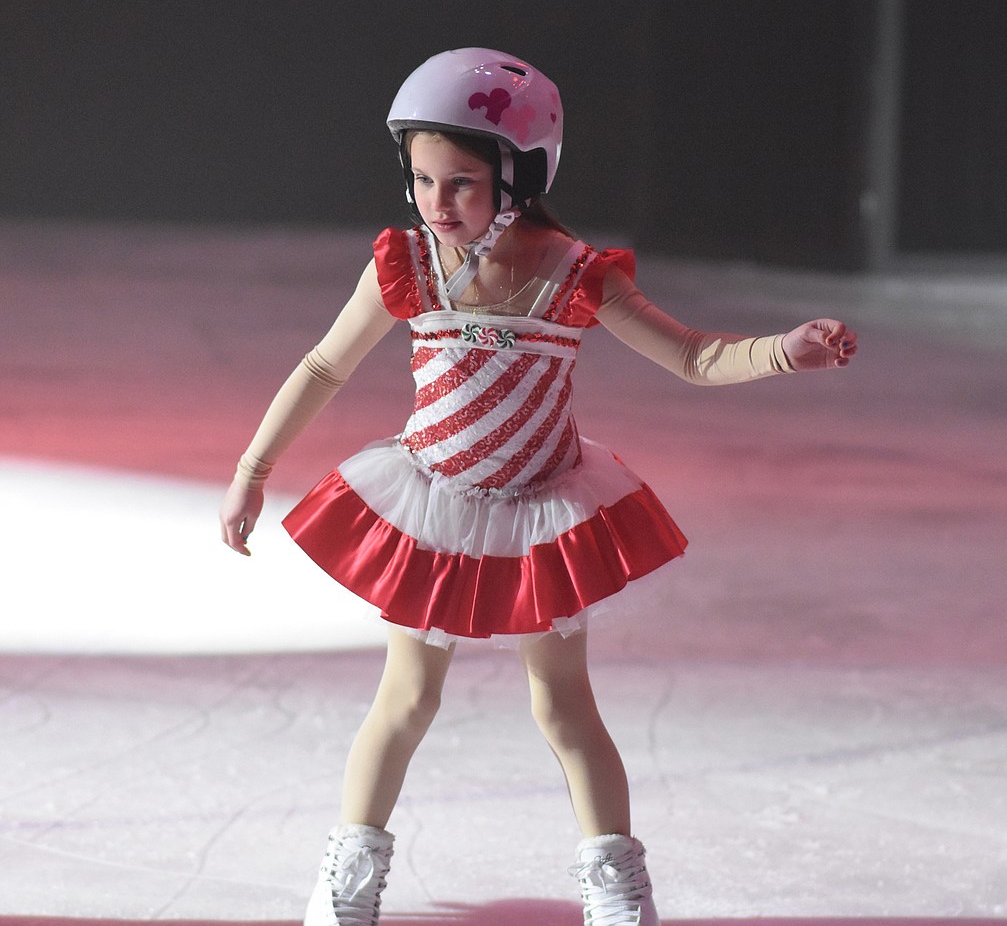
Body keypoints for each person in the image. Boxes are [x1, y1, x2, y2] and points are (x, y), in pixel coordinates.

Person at [219, 47, 857, 926]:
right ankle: (348, 879)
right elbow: (325, 366)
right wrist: (254, 470)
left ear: (519, 176)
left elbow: (695, 356)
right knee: (405, 699)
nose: (438, 204)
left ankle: (616, 889)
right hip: (433, 504)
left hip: (539, 513)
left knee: (562, 706)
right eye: (422, 180)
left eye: (462, 183)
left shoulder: (572, 274)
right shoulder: (406, 263)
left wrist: (786, 350)